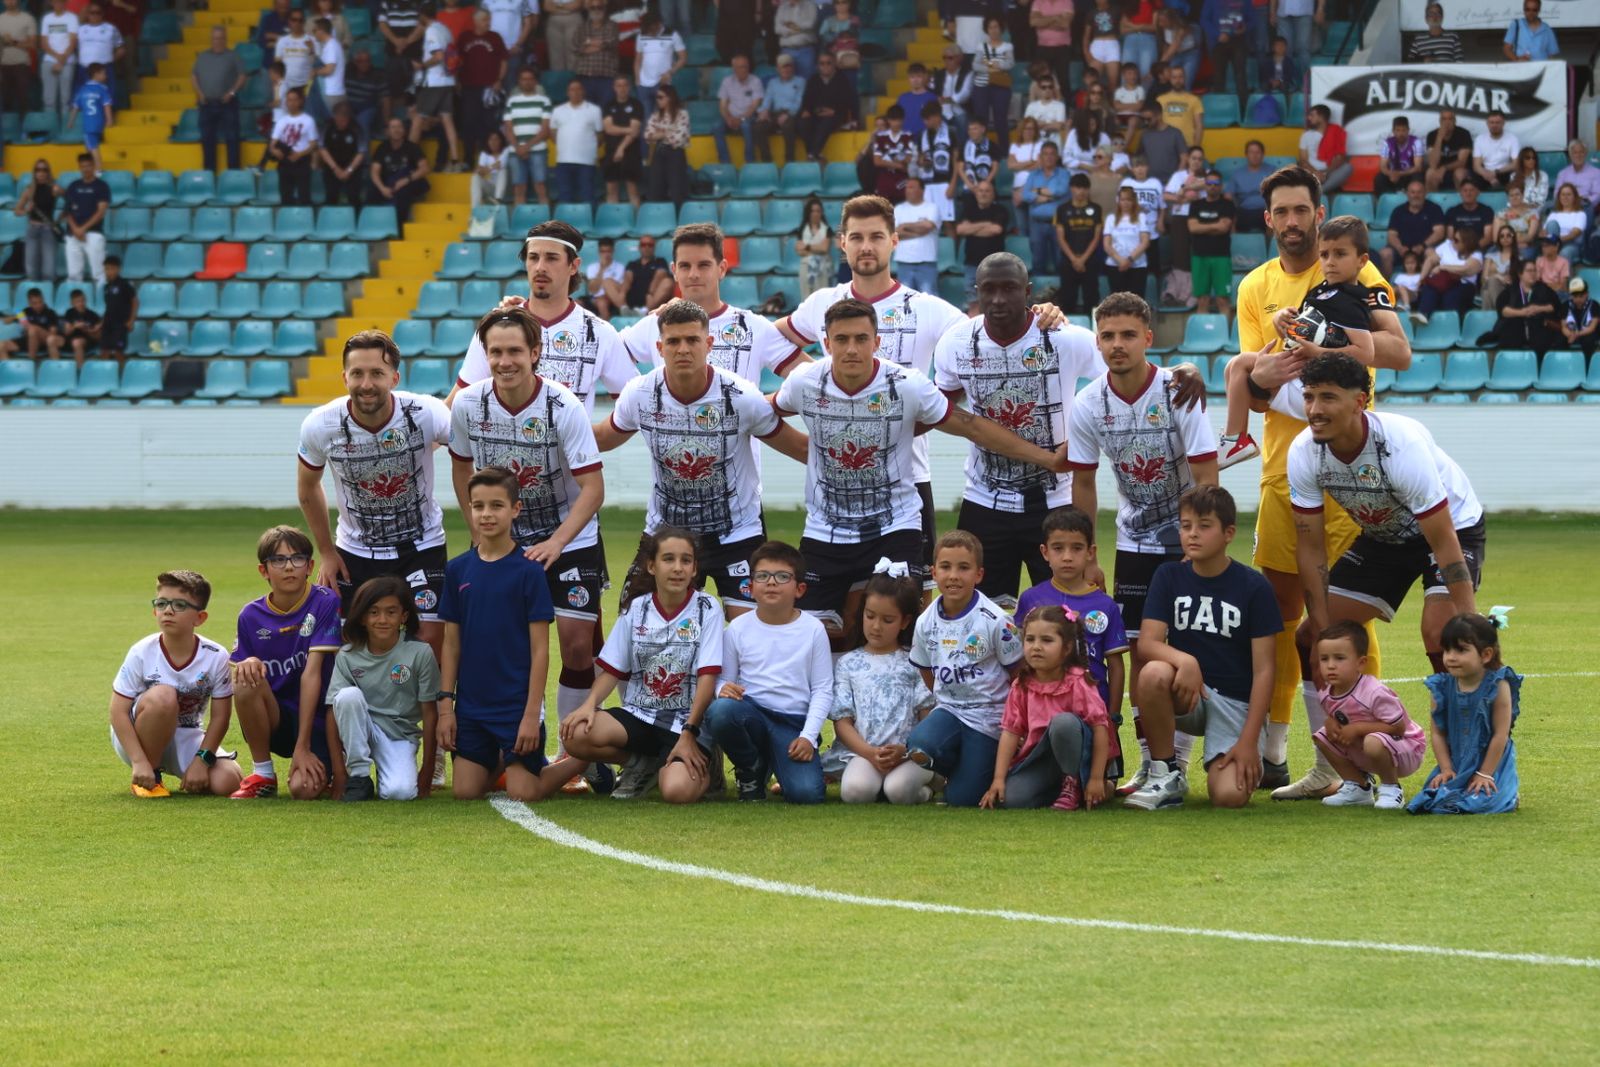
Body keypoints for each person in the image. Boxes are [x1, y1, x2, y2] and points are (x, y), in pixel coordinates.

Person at [1229, 164, 1409, 801]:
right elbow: (1256, 386)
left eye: (1303, 209)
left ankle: (1361, 753)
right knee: (1278, 618)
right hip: (1282, 472)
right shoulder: (1256, 286)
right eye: (1282, 211)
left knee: (1345, 624)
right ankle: (1280, 753)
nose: (1294, 222)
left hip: (1350, 472)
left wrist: (1326, 341)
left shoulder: (1356, 273)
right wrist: (1266, 373)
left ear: (1319, 211)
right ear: (1269, 218)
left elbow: (1393, 353)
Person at [775, 298, 1066, 647]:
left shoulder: (907, 385)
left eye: (861, 338)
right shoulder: (803, 382)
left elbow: (969, 425)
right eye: (841, 339)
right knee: (816, 637)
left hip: (894, 526)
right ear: (826, 343)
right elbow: (763, 413)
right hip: (825, 529)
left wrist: (1047, 459)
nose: (851, 348)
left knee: (902, 628)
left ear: (877, 342)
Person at [776, 195, 972, 586]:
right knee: (833, 611)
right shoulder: (822, 303)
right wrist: (811, 378)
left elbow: (979, 349)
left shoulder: (928, 308)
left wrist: (922, 420)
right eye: (857, 237)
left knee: (911, 603)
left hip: (909, 477)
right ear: (842, 242)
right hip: (835, 487)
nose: (867, 246)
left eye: (877, 236)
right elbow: (766, 339)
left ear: (894, 241)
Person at [448, 307, 608, 779]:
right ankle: (510, 739)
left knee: (577, 645)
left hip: (569, 538)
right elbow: (461, 467)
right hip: (505, 540)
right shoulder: (467, 405)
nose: (505, 361)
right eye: (495, 351)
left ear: (535, 353)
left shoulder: (563, 406)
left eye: (515, 350)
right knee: (501, 639)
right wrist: (477, 528)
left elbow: (594, 489)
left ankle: (575, 752)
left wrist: (557, 543)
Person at [1066, 291, 1217, 784]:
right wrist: (1089, 555)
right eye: (1107, 336)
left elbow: (1205, 474)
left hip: (1187, 544)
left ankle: (1184, 755)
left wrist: (1204, 542)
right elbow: (1084, 484)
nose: (1117, 345)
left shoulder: (1179, 390)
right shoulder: (1088, 404)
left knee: (1193, 646)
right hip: (1134, 544)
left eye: (1128, 335)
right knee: (1136, 652)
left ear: (1148, 339)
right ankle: (1155, 762)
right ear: (1097, 341)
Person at [597, 299, 810, 617]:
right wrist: (552, 436)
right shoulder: (639, 394)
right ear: (660, 347)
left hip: (736, 533)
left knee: (750, 632)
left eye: (692, 340)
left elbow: (800, 448)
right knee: (635, 621)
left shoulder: (741, 396)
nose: (683, 349)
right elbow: (601, 438)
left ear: (708, 344)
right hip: (666, 532)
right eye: (673, 341)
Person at [1290, 352, 1486, 678]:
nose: (1315, 410)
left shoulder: (1399, 445)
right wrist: (1324, 637)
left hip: (1452, 527)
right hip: (1385, 537)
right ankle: (1333, 729)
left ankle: (1465, 725)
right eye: (1309, 397)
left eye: (1328, 397)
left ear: (1359, 402)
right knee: (1311, 638)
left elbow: (1441, 537)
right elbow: (1310, 549)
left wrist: (1471, 620)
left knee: (1445, 634)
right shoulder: (1303, 451)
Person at [933, 253, 1107, 611]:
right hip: (985, 499)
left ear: (1027, 292)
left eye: (1009, 289)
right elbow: (942, 409)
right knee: (978, 615)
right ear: (977, 292)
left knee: (1066, 614)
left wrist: (1083, 439)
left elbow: (1120, 381)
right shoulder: (955, 343)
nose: (998, 299)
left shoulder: (1066, 339)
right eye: (989, 290)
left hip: (1056, 501)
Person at [438, 466, 595, 801]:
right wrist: (446, 708)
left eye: (496, 505)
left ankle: (582, 759)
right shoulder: (457, 570)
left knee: (524, 793)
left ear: (515, 509)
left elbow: (541, 651)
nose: (486, 514)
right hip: (472, 708)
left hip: (515, 707)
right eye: (478, 506)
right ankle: (502, 758)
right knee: (465, 792)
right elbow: (451, 645)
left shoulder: (529, 571)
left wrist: (529, 716)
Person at [298, 329, 452, 665]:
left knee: (429, 642)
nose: (366, 384)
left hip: (421, 545)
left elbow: (469, 453)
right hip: (355, 551)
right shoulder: (321, 424)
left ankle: (437, 715)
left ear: (395, 377)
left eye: (377, 374)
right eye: (357, 373)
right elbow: (308, 486)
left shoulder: (426, 412)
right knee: (352, 649)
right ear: (344, 377)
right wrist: (326, 551)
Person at [1123, 485, 1281, 810]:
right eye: (1186, 526)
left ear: (1228, 533)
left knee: (1228, 796)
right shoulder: (1169, 576)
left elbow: (1265, 670)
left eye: (1204, 526)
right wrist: (1186, 661)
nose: (1192, 534)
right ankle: (1167, 772)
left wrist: (1250, 742)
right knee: (1154, 672)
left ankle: (1233, 754)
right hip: (1189, 695)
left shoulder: (1255, 587)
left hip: (1235, 705)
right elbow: (1149, 644)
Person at [560, 527, 722, 802]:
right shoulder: (636, 608)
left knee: (676, 792)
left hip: (686, 721)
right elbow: (611, 670)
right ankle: (642, 764)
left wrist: (690, 733)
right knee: (574, 734)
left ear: (695, 569)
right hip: (641, 716)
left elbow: (708, 679)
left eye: (686, 561)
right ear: (651, 566)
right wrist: (589, 705)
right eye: (668, 559)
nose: (678, 568)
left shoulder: (708, 608)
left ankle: (708, 765)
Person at [1220, 214, 1391, 466]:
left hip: (1322, 389)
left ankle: (1235, 441)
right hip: (1306, 380)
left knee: (1239, 364)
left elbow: (1365, 353)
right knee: (1236, 368)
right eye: (1324, 255)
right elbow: (1304, 327)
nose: (1330, 262)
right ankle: (1235, 439)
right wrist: (1282, 318)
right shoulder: (1324, 291)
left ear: (1362, 261)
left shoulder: (1352, 303)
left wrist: (1315, 352)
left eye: (1340, 255)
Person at [451, 221, 640, 409]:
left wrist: (594, 437)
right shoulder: (496, 326)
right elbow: (457, 401)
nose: (540, 267)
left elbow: (636, 403)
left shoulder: (599, 332)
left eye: (551, 258)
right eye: (533, 257)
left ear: (574, 266)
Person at [702, 541, 833, 803]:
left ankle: (777, 763)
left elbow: (822, 689)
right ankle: (751, 767)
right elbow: (724, 679)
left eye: (782, 576)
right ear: (750, 587)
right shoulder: (738, 628)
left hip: (792, 723)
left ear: (800, 588)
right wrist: (721, 689)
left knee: (807, 794)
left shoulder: (813, 630)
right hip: (752, 715)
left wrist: (808, 737)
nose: (771, 582)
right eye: (762, 576)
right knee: (720, 711)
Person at [225, 525, 345, 800]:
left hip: (317, 718)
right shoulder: (250, 616)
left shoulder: (325, 602)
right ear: (264, 570)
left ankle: (331, 761)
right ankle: (263, 774)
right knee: (244, 676)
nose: (289, 567)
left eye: (297, 558)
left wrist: (302, 746)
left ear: (309, 566)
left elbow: (312, 674)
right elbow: (242, 676)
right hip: (275, 717)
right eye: (278, 560)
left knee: (304, 790)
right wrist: (251, 661)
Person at [1015, 506, 1129, 778]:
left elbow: (1115, 665)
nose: (1067, 557)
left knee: (1105, 787)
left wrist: (1112, 716)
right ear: (1045, 553)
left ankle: (1092, 774)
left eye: (1077, 548)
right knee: (1026, 791)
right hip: (1042, 708)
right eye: (1058, 548)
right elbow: (1021, 657)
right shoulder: (1031, 599)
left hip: (1093, 712)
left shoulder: (1105, 605)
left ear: (1090, 552)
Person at [109, 570, 243, 798]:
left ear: (199, 618)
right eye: (162, 603)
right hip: (138, 740)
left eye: (179, 605)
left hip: (186, 735)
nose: (168, 611)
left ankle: (182, 770)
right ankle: (149, 776)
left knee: (228, 780)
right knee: (163, 696)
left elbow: (221, 718)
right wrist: (139, 761)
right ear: (154, 610)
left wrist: (202, 762)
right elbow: (117, 711)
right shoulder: (142, 651)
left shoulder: (216, 656)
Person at [620, 223, 806, 387]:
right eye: (685, 266)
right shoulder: (656, 322)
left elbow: (812, 379)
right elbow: (606, 350)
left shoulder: (752, 325)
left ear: (722, 269)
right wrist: (641, 397)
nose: (693, 274)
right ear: (674, 271)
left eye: (703, 265)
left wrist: (766, 406)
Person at [979, 604, 1110, 811]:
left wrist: (1095, 777)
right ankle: (1059, 789)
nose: (1036, 647)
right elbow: (1010, 733)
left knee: (1063, 723)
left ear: (1066, 648)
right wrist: (998, 779)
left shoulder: (1077, 682)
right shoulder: (1021, 684)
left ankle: (1079, 783)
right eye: (1030, 639)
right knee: (1012, 799)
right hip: (1041, 760)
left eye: (1047, 640)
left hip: (1079, 758)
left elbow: (1101, 729)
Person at [826, 566, 938, 804]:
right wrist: (869, 753)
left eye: (887, 620)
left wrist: (905, 751)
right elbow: (842, 721)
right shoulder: (848, 663)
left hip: (909, 754)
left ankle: (925, 791)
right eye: (870, 616)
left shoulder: (914, 662)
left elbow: (926, 717)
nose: (876, 626)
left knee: (899, 791)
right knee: (855, 792)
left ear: (905, 621)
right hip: (864, 753)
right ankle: (878, 786)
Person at [325, 576, 440, 803]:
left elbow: (430, 712)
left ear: (404, 616)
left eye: (391, 612)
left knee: (400, 793)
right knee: (347, 696)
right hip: (359, 730)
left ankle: (387, 771)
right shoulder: (347, 655)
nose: (382, 620)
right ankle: (359, 777)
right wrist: (340, 774)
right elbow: (332, 711)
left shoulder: (421, 653)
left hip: (399, 734)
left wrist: (427, 771)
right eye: (374, 612)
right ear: (362, 618)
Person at [1408, 613, 1521, 815]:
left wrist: (1484, 774)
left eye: (1461, 650)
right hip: (1456, 762)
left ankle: (1507, 793)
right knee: (1434, 800)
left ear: (1486, 654)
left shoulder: (1498, 684)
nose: (1450, 657)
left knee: (1483, 802)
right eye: (1447, 649)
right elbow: (1438, 733)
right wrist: (1445, 769)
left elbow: (1500, 734)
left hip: (1491, 763)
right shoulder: (1441, 686)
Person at [1309, 620, 1425, 810]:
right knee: (1321, 736)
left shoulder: (1374, 692)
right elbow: (1337, 714)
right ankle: (1358, 788)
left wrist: (1357, 729)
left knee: (1373, 740)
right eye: (1324, 659)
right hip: (1367, 747)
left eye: (1339, 658)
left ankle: (1391, 788)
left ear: (1361, 663)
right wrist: (1330, 722)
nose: (1330, 666)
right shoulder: (1326, 692)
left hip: (1407, 748)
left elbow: (1399, 727)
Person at [409, 3, 461, 170]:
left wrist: (422, 66)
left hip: (435, 81)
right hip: (448, 80)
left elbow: (438, 56)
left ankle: (408, 158)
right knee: (447, 119)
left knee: (418, 118)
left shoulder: (431, 30)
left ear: (423, 16)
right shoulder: (445, 29)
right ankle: (454, 159)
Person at [191, 26, 245, 171]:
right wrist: (200, 94)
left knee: (232, 138)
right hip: (206, 103)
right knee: (207, 139)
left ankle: (233, 174)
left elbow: (242, 76)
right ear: (211, 39)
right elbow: (194, 76)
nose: (218, 41)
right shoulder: (202, 56)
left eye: (221, 38)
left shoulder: (233, 56)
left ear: (225, 39)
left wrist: (232, 93)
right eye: (215, 38)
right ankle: (210, 174)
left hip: (227, 102)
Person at [1483, 258, 1560, 354]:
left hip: (1538, 326)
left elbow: (1555, 305)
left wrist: (1539, 308)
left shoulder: (1543, 288)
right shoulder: (1511, 290)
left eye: (1534, 270)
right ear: (1520, 274)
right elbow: (1503, 309)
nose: (1533, 273)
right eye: (1529, 271)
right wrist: (1522, 312)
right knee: (1509, 332)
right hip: (1516, 326)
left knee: (1544, 336)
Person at [1053, 173, 1104, 314]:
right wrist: (1074, 259)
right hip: (1068, 261)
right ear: (1071, 189)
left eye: (1084, 188)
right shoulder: (1062, 209)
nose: (1081, 191)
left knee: (1092, 298)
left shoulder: (1096, 209)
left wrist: (1082, 259)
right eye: (1077, 187)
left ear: (1088, 190)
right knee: (1067, 299)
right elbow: (1060, 238)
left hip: (1090, 260)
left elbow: (1096, 237)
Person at [1412, 226, 1482, 326]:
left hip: (1463, 284)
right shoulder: (1447, 245)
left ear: (1467, 242)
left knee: (1451, 296)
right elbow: (1430, 260)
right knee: (1429, 288)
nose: (1453, 241)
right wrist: (1421, 278)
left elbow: (1466, 269)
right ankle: (1423, 315)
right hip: (1442, 281)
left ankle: (1451, 326)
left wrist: (1443, 267)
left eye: (1457, 240)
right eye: (1453, 238)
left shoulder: (1476, 254)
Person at [797, 51, 860, 162]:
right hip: (816, 113)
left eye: (828, 63)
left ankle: (812, 154)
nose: (825, 66)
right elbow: (807, 99)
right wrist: (806, 110)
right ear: (818, 65)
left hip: (836, 114)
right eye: (822, 63)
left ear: (834, 63)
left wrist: (834, 110)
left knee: (827, 122)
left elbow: (848, 101)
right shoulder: (813, 79)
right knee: (803, 123)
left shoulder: (842, 79)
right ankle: (816, 154)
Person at [956, 180, 1010, 308]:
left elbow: (996, 230)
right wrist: (985, 224)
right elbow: (960, 230)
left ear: (993, 193)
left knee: (994, 303)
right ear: (976, 193)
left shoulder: (1000, 210)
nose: (983, 194)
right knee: (973, 303)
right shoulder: (969, 210)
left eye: (987, 191)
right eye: (980, 190)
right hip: (971, 264)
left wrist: (971, 229)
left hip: (995, 265)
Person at [549, 79, 602, 207]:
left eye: (578, 89)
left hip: (586, 161)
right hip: (563, 160)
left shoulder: (594, 110)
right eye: (572, 89)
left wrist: (588, 147)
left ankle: (589, 225)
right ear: (568, 92)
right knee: (564, 195)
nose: (576, 92)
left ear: (583, 91)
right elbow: (552, 131)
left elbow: (600, 134)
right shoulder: (558, 110)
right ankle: (563, 226)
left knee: (587, 195)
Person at [1377, 177, 1446, 277]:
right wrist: (1399, 247)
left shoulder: (1434, 209)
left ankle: (1427, 287)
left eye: (1419, 192)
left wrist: (1423, 246)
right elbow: (1391, 235)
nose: (1416, 195)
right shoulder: (1398, 211)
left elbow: (1439, 233)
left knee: (1432, 254)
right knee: (1385, 253)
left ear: (1425, 193)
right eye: (1412, 192)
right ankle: (1386, 288)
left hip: (1425, 248)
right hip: (1401, 251)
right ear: (1407, 194)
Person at [502, 67, 552, 206]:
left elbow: (545, 130)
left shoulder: (544, 100)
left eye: (530, 79)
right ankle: (521, 222)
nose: (527, 82)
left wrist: (526, 147)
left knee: (540, 186)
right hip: (515, 150)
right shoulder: (511, 101)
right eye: (524, 79)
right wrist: (518, 147)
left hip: (538, 149)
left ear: (535, 81)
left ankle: (547, 224)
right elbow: (508, 128)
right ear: (519, 82)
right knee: (519, 188)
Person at [1189, 169, 1235, 317]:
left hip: (1221, 256)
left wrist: (1203, 227)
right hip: (1199, 256)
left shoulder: (1227, 205)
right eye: (1209, 183)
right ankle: (1202, 337)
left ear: (1221, 186)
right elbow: (1192, 228)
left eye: (1216, 183)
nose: (1212, 186)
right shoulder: (1195, 205)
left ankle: (1226, 338)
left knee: (1222, 300)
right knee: (1202, 300)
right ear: (1205, 185)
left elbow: (1224, 228)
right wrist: (1215, 225)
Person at [60, 152, 109, 286]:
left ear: (93, 166)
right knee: (73, 275)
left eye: (88, 166)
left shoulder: (101, 186)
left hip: (93, 233)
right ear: (79, 167)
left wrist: (83, 229)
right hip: (73, 234)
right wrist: (76, 229)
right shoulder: (73, 186)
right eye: (82, 166)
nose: (85, 169)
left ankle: (101, 303)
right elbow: (67, 211)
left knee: (99, 274)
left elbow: (101, 212)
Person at [370, 115, 431, 223]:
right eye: (393, 127)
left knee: (402, 193)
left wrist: (406, 180)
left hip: (408, 182)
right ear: (388, 131)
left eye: (399, 127)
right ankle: (372, 226)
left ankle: (400, 229)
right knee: (371, 192)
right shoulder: (382, 148)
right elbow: (374, 171)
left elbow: (425, 168)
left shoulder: (412, 147)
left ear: (404, 131)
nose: (396, 130)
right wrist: (382, 188)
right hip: (388, 183)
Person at [969, 17, 1013, 158]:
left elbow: (1010, 64)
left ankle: (1004, 153)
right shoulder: (981, 46)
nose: (994, 30)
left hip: (1000, 87)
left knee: (1001, 120)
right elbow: (975, 65)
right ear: (987, 30)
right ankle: (981, 151)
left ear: (1001, 29)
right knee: (982, 120)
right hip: (981, 87)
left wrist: (993, 64)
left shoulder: (1007, 46)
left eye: (996, 27)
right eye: (991, 27)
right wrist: (992, 67)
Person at [642, 84, 691, 208]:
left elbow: (678, 138)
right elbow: (648, 135)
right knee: (655, 188)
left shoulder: (682, 114)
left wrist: (660, 133)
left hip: (676, 153)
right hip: (660, 151)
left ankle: (678, 219)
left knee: (677, 189)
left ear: (669, 98)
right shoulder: (656, 115)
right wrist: (668, 132)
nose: (657, 100)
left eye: (660, 97)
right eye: (656, 97)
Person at [632, 12, 686, 125]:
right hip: (643, 85)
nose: (649, 32)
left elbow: (683, 58)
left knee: (664, 120)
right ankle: (645, 143)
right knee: (646, 121)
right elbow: (638, 60)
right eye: (647, 29)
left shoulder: (672, 34)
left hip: (663, 84)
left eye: (651, 29)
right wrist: (637, 80)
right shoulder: (641, 35)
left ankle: (662, 143)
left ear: (658, 24)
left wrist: (670, 73)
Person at [268, 87, 318, 206]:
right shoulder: (281, 121)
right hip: (285, 161)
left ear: (301, 101)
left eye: (294, 100)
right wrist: (274, 150)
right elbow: (272, 143)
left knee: (304, 196)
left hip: (302, 160)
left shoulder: (308, 120)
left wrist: (299, 154)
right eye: (289, 100)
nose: (291, 103)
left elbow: (313, 144)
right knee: (285, 196)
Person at [713, 53, 765, 166]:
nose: (744, 69)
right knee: (716, 126)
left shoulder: (755, 81)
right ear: (734, 68)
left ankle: (750, 161)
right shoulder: (727, 81)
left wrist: (741, 119)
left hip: (749, 116)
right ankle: (725, 162)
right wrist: (727, 118)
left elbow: (755, 105)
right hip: (731, 116)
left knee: (746, 126)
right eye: (740, 67)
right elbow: (722, 105)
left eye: (746, 66)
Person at [891, 178, 941, 294]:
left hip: (926, 262)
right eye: (907, 187)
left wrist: (905, 225)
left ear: (922, 190)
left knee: (929, 300)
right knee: (905, 301)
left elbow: (928, 226)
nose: (908, 190)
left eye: (912, 187)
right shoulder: (898, 209)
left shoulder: (932, 208)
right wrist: (919, 231)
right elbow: (894, 233)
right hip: (904, 262)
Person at [600, 75, 643, 209]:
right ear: (614, 88)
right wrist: (628, 129)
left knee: (633, 190)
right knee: (611, 189)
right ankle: (613, 222)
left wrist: (621, 148)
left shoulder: (636, 104)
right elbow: (608, 129)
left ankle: (636, 223)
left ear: (629, 87)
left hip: (631, 151)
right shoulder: (608, 105)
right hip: (611, 151)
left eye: (625, 85)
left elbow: (635, 132)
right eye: (619, 85)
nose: (622, 88)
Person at [754, 54, 806, 165]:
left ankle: (789, 161)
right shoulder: (773, 83)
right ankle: (767, 162)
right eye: (783, 66)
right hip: (775, 113)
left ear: (793, 67)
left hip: (792, 113)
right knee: (758, 127)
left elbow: (799, 101)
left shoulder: (800, 81)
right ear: (778, 68)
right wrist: (763, 111)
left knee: (788, 126)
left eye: (789, 66)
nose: (786, 69)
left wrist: (789, 114)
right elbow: (767, 99)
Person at [1103, 184, 1152, 299]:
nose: (1125, 203)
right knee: (1118, 302)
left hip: (1137, 265)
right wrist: (1121, 261)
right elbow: (1107, 244)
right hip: (1115, 265)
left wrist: (1129, 260)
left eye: (1129, 200)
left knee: (1136, 302)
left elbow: (1145, 242)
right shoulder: (1111, 219)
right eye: (1123, 199)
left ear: (1134, 201)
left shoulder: (1141, 217)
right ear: (1118, 201)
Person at [14, 161, 59, 284]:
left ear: (48, 172)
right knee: (31, 269)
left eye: (44, 170)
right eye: (38, 170)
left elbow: (69, 200)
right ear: (34, 172)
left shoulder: (53, 188)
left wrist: (60, 219)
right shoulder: (29, 189)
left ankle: (48, 297)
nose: (41, 173)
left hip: (47, 229)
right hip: (33, 229)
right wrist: (26, 211)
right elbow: (17, 210)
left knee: (48, 271)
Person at [377, 0, 423, 119]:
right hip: (393, 54)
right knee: (394, 91)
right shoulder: (386, 2)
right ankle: (395, 125)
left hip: (415, 54)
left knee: (414, 92)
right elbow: (382, 24)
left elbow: (423, 23)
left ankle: (412, 125)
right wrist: (396, 41)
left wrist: (406, 42)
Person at [317, 102, 366, 208]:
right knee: (331, 196)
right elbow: (322, 149)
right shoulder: (327, 126)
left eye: (343, 120)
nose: (340, 122)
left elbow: (361, 153)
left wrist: (348, 171)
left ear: (348, 118)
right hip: (332, 167)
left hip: (352, 168)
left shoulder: (357, 128)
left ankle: (357, 222)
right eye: (338, 119)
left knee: (354, 197)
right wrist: (335, 169)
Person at [572, 0, 618, 107]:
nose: (596, 10)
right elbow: (575, 46)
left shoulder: (612, 25)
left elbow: (610, 42)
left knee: (605, 109)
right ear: (588, 10)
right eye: (593, 8)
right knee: (586, 109)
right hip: (585, 76)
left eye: (599, 7)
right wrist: (600, 45)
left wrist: (587, 43)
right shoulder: (581, 27)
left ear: (604, 9)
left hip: (606, 76)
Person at [73, 4, 122, 99]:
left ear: (102, 14)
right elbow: (74, 48)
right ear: (88, 15)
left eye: (98, 13)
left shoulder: (111, 29)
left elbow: (121, 49)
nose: (95, 15)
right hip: (84, 69)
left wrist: (110, 60)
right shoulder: (80, 29)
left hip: (104, 69)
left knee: (107, 97)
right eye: (92, 13)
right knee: (83, 97)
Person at [0, 287, 63, 360]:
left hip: (43, 341)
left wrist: (33, 329)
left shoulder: (50, 313)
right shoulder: (25, 311)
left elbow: (53, 333)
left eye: (40, 302)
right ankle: (8, 369)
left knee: (32, 330)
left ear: (43, 299)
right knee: (1, 345)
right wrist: (15, 317)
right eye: (34, 303)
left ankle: (31, 361)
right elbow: (5, 321)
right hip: (27, 340)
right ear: (29, 303)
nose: (38, 305)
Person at [1299, 105, 1350, 195]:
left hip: (1330, 172)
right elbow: (1303, 160)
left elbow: (1340, 158)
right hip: (1311, 171)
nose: (1309, 118)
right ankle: (1323, 189)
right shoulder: (1306, 135)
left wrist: (1325, 173)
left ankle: (1320, 191)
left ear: (1321, 117)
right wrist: (1315, 172)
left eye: (1312, 115)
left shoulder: (1336, 132)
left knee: (1347, 168)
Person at [871, 104, 914, 203]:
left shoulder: (908, 136)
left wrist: (887, 161)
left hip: (902, 181)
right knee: (884, 213)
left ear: (903, 120)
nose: (896, 123)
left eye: (899, 120)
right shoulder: (881, 137)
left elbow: (909, 158)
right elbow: (877, 161)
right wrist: (897, 165)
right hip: (885, 181)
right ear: (888, 120)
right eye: (894, 120)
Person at [620, 233, 674, 313]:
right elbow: (628, 278)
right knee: (608, 282)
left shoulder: (660, 261)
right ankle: (624, 308)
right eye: (643, 244)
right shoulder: (632, 264)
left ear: (654, 247)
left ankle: (644, 311)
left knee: (668, 282)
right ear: (639, 247)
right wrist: (623, 293)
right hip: (632, 296)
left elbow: (660, 274)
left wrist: (650, 293)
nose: (646, 247)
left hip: (652, 298)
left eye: (650, 245)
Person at [1423, 109, 1473, 193]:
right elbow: (1433, 164)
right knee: (1430, 173)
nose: (1447, 122)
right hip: (1438, 170)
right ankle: (1431, 203)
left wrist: (1444, 168)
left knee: (1459, 173)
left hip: (1458, 168)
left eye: (1450, 119)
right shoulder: (1432, 135)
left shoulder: (1464, 134)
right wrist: (1439, 138)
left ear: (1455, 121)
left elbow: (1462, 162)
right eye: (1444, 119)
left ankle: (1461, 202)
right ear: (1440, 121)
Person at [1156, 64, 1202, 150]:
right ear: (1170, 79)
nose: (1178, 80)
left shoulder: (1195, 100)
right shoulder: (1160, 100)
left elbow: (1199, 126)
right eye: (1174, 77)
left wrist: (1196, 148)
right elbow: (1156, 124)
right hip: (1166, 144)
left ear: (1185, 78)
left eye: (1180, 77)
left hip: (1187, 145)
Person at [99, 254, 135, 362]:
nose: (108, 272)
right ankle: (105, 375)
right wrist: (102, 322)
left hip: (120, 324)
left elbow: (135, 302)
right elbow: (109, 306)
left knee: (118, 351)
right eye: (106, 269)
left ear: (118, 269)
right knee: (104, 351)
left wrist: (131, 320)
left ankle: (122, 376)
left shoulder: (125, 285)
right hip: (107, 324)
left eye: (111, 269)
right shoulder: (106, 287)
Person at [1471, 111, 1520, 191]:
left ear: (1503, 123)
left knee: (1516, 176)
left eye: (1497, 122)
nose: (1494, 125)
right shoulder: (1480, 139)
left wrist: (1495, 172)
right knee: (1472, 182)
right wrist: (1490, 177)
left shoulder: (1512, 139)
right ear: (1487, 123)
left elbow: (1516, 164)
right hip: (1485, 173)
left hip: (1504, 172)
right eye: (1491, 122)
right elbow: (1476, 166)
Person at [1374, 117, 1423, 196]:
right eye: (1398, 130)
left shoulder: (1416, 142)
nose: (1401, 134)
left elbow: (1418, 167)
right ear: (1393, 131)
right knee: (1379, 178)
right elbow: (1383, 166)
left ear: (1408, 130)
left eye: (1403, 130)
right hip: (1392, 176)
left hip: (1409, 174)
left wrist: (1399, 174)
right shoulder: (1388, 142)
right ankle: (1383, 202)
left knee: (1418, 176)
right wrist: (1390, 174)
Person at [310, 16, 347, 123]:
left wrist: (315, 72)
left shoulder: (331, 46)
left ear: (321, 31)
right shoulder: (330, 45)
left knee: (332, 124)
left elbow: (329, 69)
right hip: (331, 91)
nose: (314, 33)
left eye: (315, 30)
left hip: (332, 93)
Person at [273, 7, 315, 98]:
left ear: (304, 22)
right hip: (286, 86)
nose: (297, 23)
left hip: (305, 86)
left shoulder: (312, 40)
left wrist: (312, 50)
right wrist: (277, 95)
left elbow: (315, 66)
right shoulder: (282, 41)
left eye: (300, 20)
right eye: (294, 20)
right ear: (289, 21)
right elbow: (277, 69)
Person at [774, 0, 818, 79]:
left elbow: (810, 24)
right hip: (786, 51)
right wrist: (798, 29)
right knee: (786, 81)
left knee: (807, 81)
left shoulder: (811, 5)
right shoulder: (782, 7)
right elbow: (778, 29)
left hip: (805, 50)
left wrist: (787, 26)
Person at [933, 43, 973, 129]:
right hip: (942, 113)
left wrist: (947, 100)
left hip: (960, 112)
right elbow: (933, 91)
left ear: (959, 58)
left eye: (950, 58)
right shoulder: (939, 74)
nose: (946, 61)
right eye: (944, 58)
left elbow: (964, 95)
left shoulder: (968, 73)